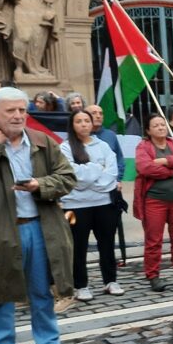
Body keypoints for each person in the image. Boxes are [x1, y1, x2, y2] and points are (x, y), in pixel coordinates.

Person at [0, 87, 79, 344]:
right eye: (11, 110)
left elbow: (68, 177)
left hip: (41, 227)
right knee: (0, 294)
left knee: (42, 291)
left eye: (22, 109)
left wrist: (39, 185)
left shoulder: (42, 141)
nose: (19, 115)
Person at [60, 110, 122, 301]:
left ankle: (110, 280)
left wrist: (91, 179)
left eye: (87, 120)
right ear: (72, 125)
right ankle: (80, 285)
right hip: (75, 205)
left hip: (104, 203)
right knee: (78, 246)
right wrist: (96, 169)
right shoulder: (65, 148)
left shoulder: (103, 146)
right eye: (79, 121)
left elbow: (111, 174)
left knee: (107, 243)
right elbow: (73, 176)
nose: (84, 124)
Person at [134, 113, 173, 291]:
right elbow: (145, 168)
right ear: (148, 130)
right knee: (154, 240)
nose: (161, 128)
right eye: (156, 125)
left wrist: (165, 160)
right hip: (154, 200)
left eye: (162, 124)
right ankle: (153, 275)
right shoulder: (143, 146)